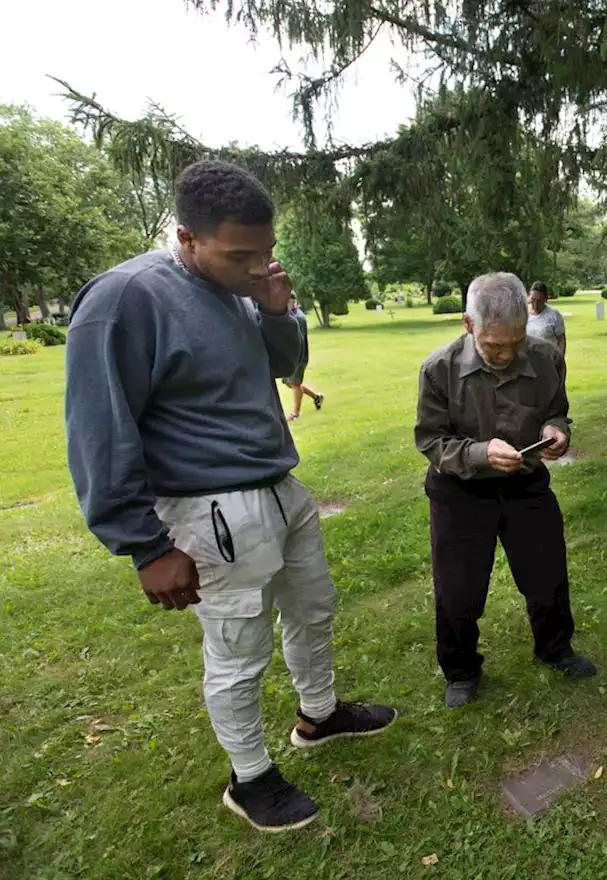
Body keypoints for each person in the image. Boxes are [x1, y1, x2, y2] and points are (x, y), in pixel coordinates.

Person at [64, 160, 396, 834]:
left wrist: (280, 313)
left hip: (281, 485)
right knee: (238, 649)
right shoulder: (126, 297)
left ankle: (320, 714)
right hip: (209, 508)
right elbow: (99, 426)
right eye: (241, 254)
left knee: (314, 609)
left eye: (267, 251)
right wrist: (144, 546)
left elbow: (286, 368)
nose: (258, 266)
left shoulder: (246, 289)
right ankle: (250, 778)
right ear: (186, 238)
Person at [414, 272, 595, 710]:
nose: (507, 354)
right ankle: (461, 670)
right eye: (495, 345)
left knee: (547, 574)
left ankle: (554, 648)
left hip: (526, 484)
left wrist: (557, 431)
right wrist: (478, 453)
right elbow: (431, 440)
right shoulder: (438, 369)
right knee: (458, 590)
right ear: (468, 325)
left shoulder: (546, 357)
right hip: (460, 492)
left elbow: (557, 411)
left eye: (515, 342)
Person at [281, 294, 325, 421]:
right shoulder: (290, 314)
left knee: (295, 383)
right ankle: (317, 397)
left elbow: (296, 340)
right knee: (291, 384)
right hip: (290, 356)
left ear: (293, 301)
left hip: (297, 357)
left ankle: (296, 413)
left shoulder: (297, 317)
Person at [526, 281, 567, 354]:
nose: (535, 305)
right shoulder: (523, 313)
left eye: (539, 301)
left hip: (549, 360)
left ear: (546, 299)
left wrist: (560, 359)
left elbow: (561, 340)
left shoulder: (554, 315)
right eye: (533, 300)